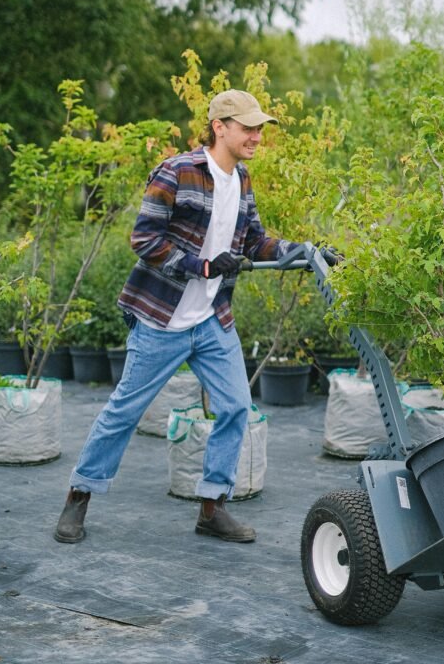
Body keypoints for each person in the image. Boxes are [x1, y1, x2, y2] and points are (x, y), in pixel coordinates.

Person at [54, 89, 308, 546]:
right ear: (220, 127)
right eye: (247, 127)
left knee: (235, 407)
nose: (256, 135)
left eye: (259, 128)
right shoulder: (177, 171)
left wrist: (302, 252)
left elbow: (255, 242)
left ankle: (212, 507)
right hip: (161, 320)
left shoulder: (242, 179)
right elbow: (144, 240)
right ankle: (79, 495)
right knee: (124, 412)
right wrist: (203, 266)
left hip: (211, 319)